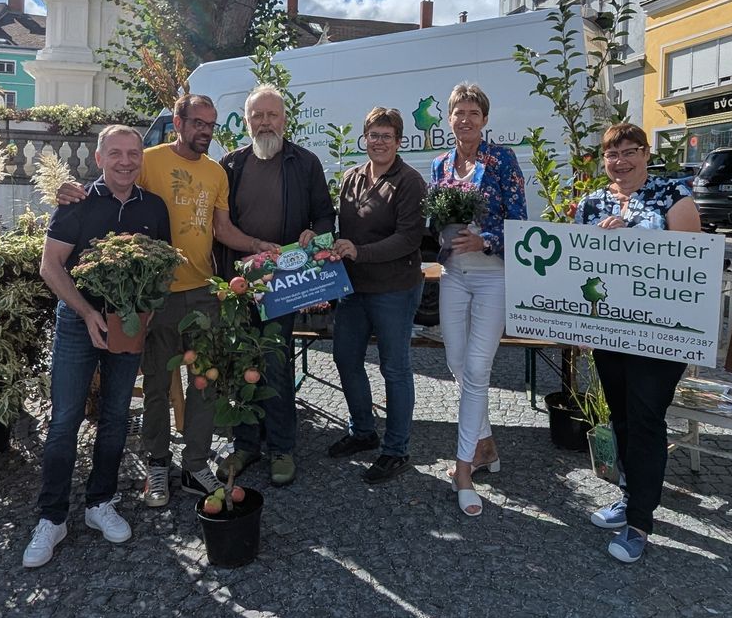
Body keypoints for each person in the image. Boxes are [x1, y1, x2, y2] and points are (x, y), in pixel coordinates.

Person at [55, 95, 271, 509]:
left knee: (203, 381)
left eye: (211, 125)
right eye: (198, 123)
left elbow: (222, 229)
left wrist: (260, 245)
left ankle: (195, 465)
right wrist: (72, 188)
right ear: (178, 122)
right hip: (153, 298)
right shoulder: (147, 159)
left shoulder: (216, 173)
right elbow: (112, 184)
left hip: (204, 292)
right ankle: (158, 462)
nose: (205, 131)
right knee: (156, 383)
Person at [23, 125, 171, 568]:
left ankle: (99, 503)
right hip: (76, 324)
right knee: (65, 419)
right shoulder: (79, 203)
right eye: (116, 153)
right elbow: (51, 266)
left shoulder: (155, 208)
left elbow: (162, 266)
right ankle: (51, 518)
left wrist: (144, 312)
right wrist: (87, 313)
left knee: (115, 416)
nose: (126, 161)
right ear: (99, 158)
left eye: (133, 154)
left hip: (126, 325)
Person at [574, 121, 701, 563]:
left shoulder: (674, 198)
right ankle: (632, 497)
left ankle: (640, 524)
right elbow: (578, 265)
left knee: (646, 420)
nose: (620, 161)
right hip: (612, 331)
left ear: (646, 154)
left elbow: (692, 264)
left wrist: (634, 243)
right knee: (624, 418)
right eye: (612, 153)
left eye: (630, 151)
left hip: (661, 335)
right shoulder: (591, 204)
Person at [217, 85, 336, 487]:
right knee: (242, 363)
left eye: (272, 115)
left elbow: (325, 216)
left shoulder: (305, 163)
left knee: (275, 362)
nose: (265, 122)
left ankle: (282, 447)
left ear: (285, 119)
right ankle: (247, 443)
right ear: (247, 121)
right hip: (240, 281)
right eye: (257, 116)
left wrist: (312, 233)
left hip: (284, 281)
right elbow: (220, 224)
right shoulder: (231, 165)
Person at [431, 82, 526, 516]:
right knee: (455, 362)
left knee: (476, 368)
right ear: (449, 119)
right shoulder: (440, 165)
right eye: (458, 112)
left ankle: (464, 467)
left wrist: (484, 240)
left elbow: (521, 224)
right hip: (453, 274)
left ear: (484, 120)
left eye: (473, 112)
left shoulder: (503, 160)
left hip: (493, 278)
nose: (465, 119)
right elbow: (437, 223)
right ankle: (485, 444)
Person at [329, 108, 426, 483]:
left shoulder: (409, 182)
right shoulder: (352, 177)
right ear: (364, 138)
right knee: (345, 358)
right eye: (373, 135)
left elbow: (409, 239)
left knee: (395, 368)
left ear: (399, 141)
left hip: (394, 289)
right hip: (352, 288)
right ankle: (363, 431)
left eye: (387, 136)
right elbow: (340, 228)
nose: (379, 142)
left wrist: (359, 251)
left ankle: (396, 449)